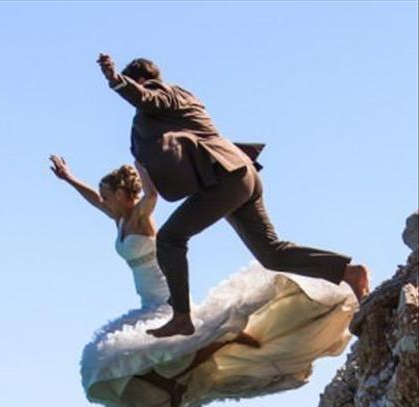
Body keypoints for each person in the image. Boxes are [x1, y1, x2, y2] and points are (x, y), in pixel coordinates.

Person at [97, 54, 370, 339]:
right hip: (239, 174)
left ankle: (180, 316)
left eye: (135, 84)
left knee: (169, 239)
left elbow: (147, 99)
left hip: (226, 178)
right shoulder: (178, 102)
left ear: (142, 80)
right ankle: (350, 272)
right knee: (271, 253)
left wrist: (117, 81)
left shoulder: (164, 93)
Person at [49, 155, 258, 407]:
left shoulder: (139, 217)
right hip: (147, 300)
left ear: (123, 194)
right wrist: (69, 179)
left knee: (149, 352)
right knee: (113, 357)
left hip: (167, 299)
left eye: (107, 196)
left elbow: (152, 196)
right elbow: (93, 200)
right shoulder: (120, 219)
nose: (103, 202)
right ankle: (172, 384)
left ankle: (225, 337)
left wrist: (142, 166)